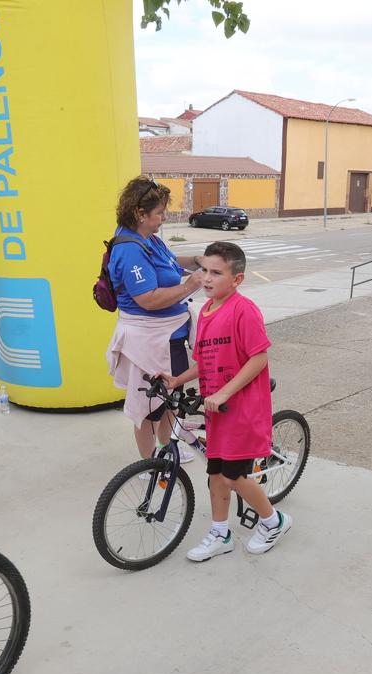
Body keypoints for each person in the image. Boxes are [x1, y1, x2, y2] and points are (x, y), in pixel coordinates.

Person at [161, 242, 292, 562]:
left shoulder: (243, 310)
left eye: (216, 272)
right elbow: (205, 361)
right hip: (216, 408)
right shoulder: (205, 312)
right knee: (216, 472)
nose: (206, 278)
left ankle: (274, 521)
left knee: (233, 475)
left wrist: (224, 393)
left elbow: (258, 358)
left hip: (242, 408)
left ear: (237, 279)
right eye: (204, 269)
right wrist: (179, 379)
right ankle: (221, 533)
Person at [106, 176, 204, 462]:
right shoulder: (130, 250)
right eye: (159, 212)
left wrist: (199, 260)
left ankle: (167, 446)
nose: (164, 217)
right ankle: (151, 462)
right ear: (140, 214)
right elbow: (147, 299)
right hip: (149, 342)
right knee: (148, 407)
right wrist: (191, 285)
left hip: (170, 337)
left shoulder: (148, 239)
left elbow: (172, 263)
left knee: (171, 397)